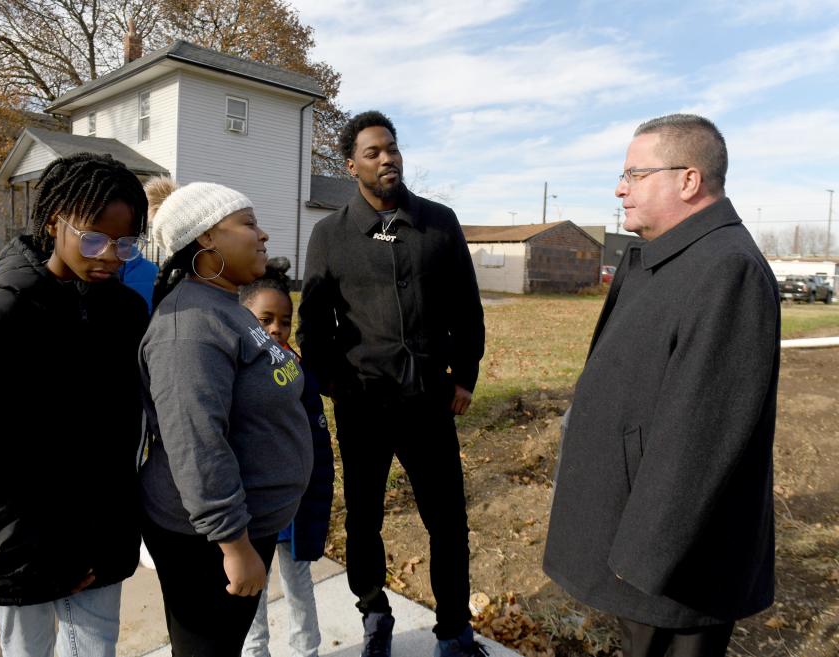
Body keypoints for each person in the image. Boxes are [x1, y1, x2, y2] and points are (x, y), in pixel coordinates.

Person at [543, 114, 780, 657]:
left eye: (635, 173)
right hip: (643, 547)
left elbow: (704, 434)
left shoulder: (727, 270)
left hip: (678, 565)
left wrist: (641, 556)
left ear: (688, 180)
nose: (620, 187)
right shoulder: (671, 258)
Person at [0, 153, 150, 657]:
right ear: (54, 221)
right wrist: (34, 554)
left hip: (100, 539)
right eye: (94, 238)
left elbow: (127, 434)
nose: (110, 256)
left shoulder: (125, 312)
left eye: (126, 243)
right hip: (17, 551)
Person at [297, 110, 486, 657]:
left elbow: (467, 309)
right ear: (350, 164)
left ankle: (454, 630)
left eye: (393, 148)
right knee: (364, 519)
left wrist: (465, 377)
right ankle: (373, 611)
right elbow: (314, 326)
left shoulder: (438, 223)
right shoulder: (331, 235)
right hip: (364, 409)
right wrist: (343, 388)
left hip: (430, 402)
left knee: (449, 523)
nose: (388, 159)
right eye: (374, 152)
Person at [137, 178, 313, 657]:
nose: (263, 236)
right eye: (249, 223)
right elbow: (195, 444)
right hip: (206, 542)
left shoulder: (227, 306)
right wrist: (234, 547)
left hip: (245, 526)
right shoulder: (188, 327)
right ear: (206, 238)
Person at [239, 258, 335, 657]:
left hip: (293, 513)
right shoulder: (231, 373)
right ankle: (254, 651)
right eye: (264, 320)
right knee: (250, 593)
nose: (276, 329)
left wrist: (316, 511)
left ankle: (306, 650)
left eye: (284, 321)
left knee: (299, 586)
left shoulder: (300, 375)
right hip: (251, 513)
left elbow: (319, 448)